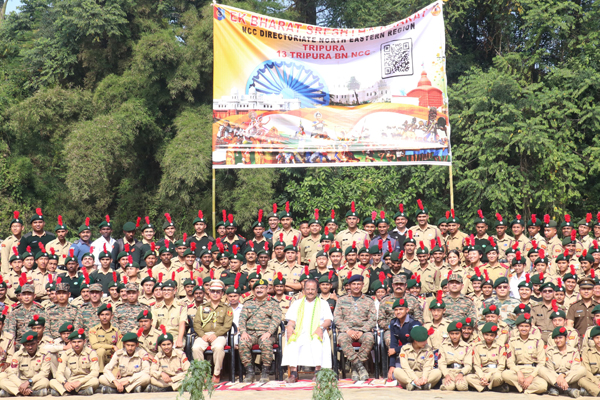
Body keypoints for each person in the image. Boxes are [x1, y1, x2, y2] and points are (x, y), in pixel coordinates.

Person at [282, 279, 333, 383]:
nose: (310, 291)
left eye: (313, 289)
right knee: (292, 342)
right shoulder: (297, 303)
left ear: (316, 290)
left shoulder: (323, 303)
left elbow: (328, 320)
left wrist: (321, 328)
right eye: (308, 289)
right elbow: (291, 320)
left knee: (316, 342)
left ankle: (318, 372)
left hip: (317, 332)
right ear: (304, 290)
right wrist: (290, 326)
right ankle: (293, 374)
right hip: (300, 332)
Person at [238, 279, 282, 383]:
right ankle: (249, 372)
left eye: (262, 288)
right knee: (243, 342)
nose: (259, 290)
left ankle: (265, 372)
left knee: (266, 343)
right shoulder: (248, 303)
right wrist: (243, 332)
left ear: (267, 289)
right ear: (253, 290)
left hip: (267, 334)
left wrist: (269, 332)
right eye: (257, 288)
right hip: (251, 334)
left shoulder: (273, 303)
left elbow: (276, 319)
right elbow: (242, 319)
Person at [333, 275, 376, 382]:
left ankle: (355, 369)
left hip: (363, 331)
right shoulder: (342, 300)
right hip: (347, 331)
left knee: (370, 338)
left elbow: (373, 319)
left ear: (362, 285)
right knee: (342, 338)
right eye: (353, 284)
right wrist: (348, 330)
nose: (356, 286)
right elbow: (337, 318)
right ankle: (360, 367)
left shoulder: (369, 301)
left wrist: (362, 330)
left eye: (358, 284)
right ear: (349, 286)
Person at [191, 280, 233, 383]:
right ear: (208, 293)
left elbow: (227, 325)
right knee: (196, 348)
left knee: (218, 347)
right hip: (203, 335)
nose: (215, 294)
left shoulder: (227, 308)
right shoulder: (202, 307)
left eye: (218, 292)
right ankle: (203, 373)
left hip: (219, 335)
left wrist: (216, 334)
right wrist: (202, 335)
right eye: (213, 291)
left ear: (222, 293)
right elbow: (196, 323)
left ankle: (216, 373)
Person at [502, 312, 548, 394]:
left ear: (530, 327)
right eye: (521, 326)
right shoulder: (513, 341)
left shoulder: (537, 341)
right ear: (517, 327)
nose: (524, 329)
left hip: (533, 371)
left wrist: (531, 377)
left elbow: (541, 362)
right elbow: (510, 361)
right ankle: (527, 388)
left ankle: (519, 388)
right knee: (505, 374)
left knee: (543, 386)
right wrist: (518, 372)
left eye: (526, 326)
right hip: (518, 371)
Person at [49, 328, 100, 396]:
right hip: (70, 381)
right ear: (70, 343)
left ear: (84, 341)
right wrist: (65, 383)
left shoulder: (91, 353)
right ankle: (80, 392)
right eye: (74, 342)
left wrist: (80, 382)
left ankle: (66, 392)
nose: (76, 344)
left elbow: (95, 372)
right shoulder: (66, 354)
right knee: (52, 381)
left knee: (95, 381)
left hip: (84, 381)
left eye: (79, 342)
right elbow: (59, 372)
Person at [538, 326, 586, 397]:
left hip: (568, 379)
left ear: (566, 338)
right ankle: (567, 389)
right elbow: (550, 370)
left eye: (560, 338)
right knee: (541, 369)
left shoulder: (573, 351)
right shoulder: (550, 351)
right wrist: (559, 378)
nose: (558, 340)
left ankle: (558, 387)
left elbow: (575, 369)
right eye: (556, 338)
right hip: (554, 379)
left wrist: (563, 376)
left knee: (582, 369)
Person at [0, 331, 50, 397]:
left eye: (32, 344)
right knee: (2, 382)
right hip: (20, 382)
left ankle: (15, 392)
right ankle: (32, 393)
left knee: (45, 382)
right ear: (23, 345)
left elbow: (44, 372)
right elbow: (12, 373)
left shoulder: (45, 354)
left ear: (37, 343)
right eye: (27, 345)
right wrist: (21, 385)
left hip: (34, 382)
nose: (30, 347)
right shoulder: (17, 355)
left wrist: (28, 382)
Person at [390, 325, 440, 389]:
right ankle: (415, 384)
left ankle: (417, 385)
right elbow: (405, 367)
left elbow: (428, 366)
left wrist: (424, 378)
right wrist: (414, 379)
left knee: (438, 372)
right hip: (409, 376)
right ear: (415, 341)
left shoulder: (428, 349)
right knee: (397, 371)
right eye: (423, 341)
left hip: (422, 375)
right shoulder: (405, 349)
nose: (425, 342)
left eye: (425, 340)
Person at [147, 326, 190, 392]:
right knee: (151, 379)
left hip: (177, 379)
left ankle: (168, 389)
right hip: (165, 380)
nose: (166, 347)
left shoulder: (180, 354)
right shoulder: (158, 356)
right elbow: (152, 371)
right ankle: (175, 387)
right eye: (163, 345)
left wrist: (173, 379)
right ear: (160, 346)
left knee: (190, 376)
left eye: (168, 344)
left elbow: (188, 371)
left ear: (172, 344)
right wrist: (161, 373)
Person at [439, 321, 472, 391]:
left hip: (461, 371)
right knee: (449, 387)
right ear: (448, 334)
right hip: (449, 371)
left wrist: (461, 373)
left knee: (461, 387)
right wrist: (446, 375)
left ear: (461, 334)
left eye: (457, 334)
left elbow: (468, 365)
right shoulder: (443, 346)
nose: (454, 336)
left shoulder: (467, 347)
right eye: (452, 334)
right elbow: (441, 363)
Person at [580, 326, 600, 396]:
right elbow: (586, 370)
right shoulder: (587, 351)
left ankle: (592, 391)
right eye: (597, 338)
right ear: (593, 339)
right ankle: (597, 391)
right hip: (593, 379)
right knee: (581, 380)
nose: (599, 340)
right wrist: (596, 382)